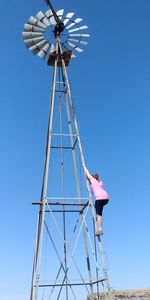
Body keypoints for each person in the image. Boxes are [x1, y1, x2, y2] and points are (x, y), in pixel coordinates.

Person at [83, 164, 109, 235]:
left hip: (99, 198)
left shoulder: (93, 180)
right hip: (106, 198)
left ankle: (100, 229)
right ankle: (99, 227)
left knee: (98, 215)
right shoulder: (100, 182)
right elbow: (91, 189)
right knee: (99, 212)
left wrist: (84, 166)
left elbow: (87, 174)